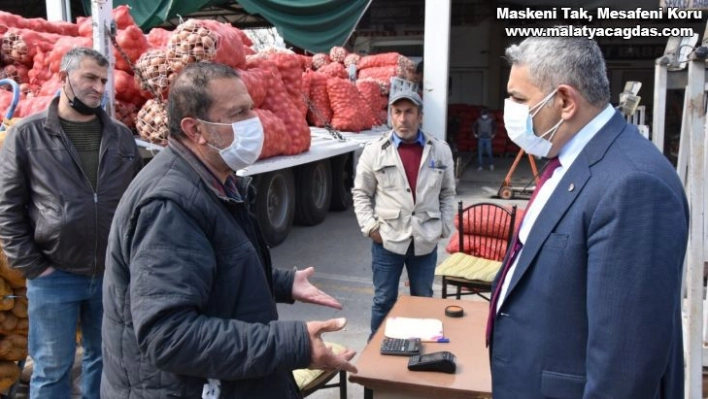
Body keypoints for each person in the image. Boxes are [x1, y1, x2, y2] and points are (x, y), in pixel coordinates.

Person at [101, 61, 357, 398]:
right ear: (196, 130)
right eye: (238, 113)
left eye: (252, 108)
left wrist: (279, 281)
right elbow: (168, 336)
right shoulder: (169, 205)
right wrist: (293, 345)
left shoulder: (218, 181)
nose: (255, 121)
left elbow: (213, 266)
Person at [488, 36, 688, 398]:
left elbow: (625, 367)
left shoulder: (632, 184)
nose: (509, 110)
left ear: (564, 101)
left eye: (519, 99)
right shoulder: (571, 159)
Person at [0, 47, 142, 399]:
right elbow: (7, 208)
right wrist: (34, 266)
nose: (99, 87)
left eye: (104, 81)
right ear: (64, 78)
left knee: (105, 361)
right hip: (54, 276)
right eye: (90, 78)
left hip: (110, 273)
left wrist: (130, 261)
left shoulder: (121, 136)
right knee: (51, 368)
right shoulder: (27, 136)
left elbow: (136, 204)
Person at [352, 90, 455, 339]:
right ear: (391, 115)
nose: (402, 118)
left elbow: (448, 193)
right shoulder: (375, 150)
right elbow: (361, 193)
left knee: (423, 299)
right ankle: (375, 356)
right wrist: (370, 228)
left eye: (409, 112)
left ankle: (421, 352)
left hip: (425, 240)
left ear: (420, 116)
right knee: (384, 300)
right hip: (387, 240)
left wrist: (443, 227)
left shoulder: (439, 150)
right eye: (397, 112)